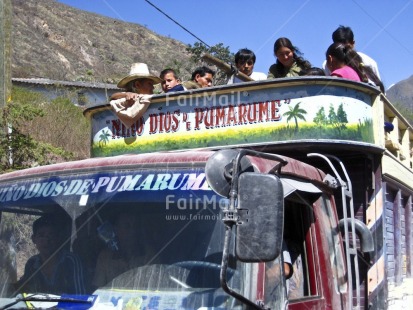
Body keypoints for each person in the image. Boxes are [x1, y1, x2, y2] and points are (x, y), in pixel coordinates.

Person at [15, 215, 86, 295]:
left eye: (51, 235)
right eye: (41, 235)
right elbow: (26, 295)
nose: (46, 240)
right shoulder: (31, 263)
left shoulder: (70, 261)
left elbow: (80, 296)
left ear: (58, 238)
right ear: (33, 239)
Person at [92, 212, 156, 288]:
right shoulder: (105, 258)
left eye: (135, 227)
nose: (132, 231)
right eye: (127, 226)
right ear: (116, 230)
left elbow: (155, 289)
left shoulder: (149, 256)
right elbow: (97, 290)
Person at [109, 63, 161, 127]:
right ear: (137, 85)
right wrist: (126, 95)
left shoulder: (151, 99)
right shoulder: (126, 98)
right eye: (149, 84)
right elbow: (113, 97)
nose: (153, 87)